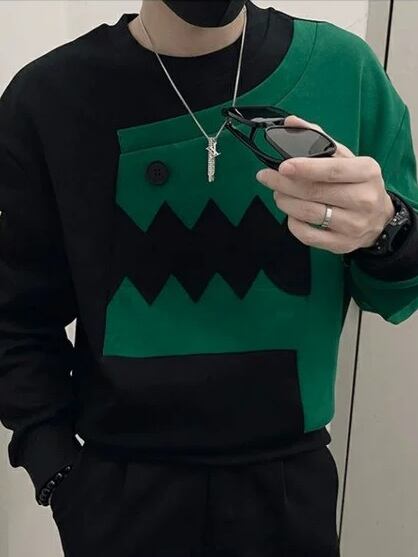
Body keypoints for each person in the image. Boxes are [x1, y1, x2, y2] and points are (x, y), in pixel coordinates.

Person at [0, 1, 417, 555]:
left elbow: (398, 289)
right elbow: (16, 315)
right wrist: (55, 468)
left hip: (290, 493)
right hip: (117, 496)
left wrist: (387, 227)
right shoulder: (49, 98)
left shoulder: (344, 72)